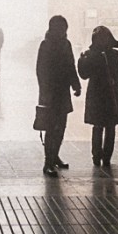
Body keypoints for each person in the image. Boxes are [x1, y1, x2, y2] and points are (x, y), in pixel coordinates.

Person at [36, 15, 81, 177]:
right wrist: (45, 91)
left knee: (61, 127)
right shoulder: (46, 45)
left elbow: (71, 66)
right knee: (50, 128)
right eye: (61, 28)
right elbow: (40, 70)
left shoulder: (66, 44)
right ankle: (48, 162)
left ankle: (55, 156)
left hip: (63, 92)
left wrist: (76, 84)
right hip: (50, 94)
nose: (64, 31)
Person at [78, 25, 118, 168]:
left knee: (101, 126)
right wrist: (116, 82)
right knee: (105, 127)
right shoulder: (107, 54)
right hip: (107, 94)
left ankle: (100, 156)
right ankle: (102, 156)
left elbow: (84, 74)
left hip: (102, 94)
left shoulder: (97, 54)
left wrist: (82, 61)